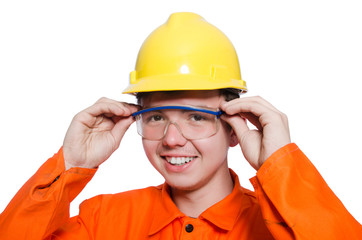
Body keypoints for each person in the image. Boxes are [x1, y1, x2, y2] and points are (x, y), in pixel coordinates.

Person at [0, 12, 361, 240]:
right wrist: (70, 163)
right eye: (156, 118)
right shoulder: (102, 222)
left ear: (235, 128)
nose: (172, 140)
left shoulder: (281, 225)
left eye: (197, 117)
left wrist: (280, 165)